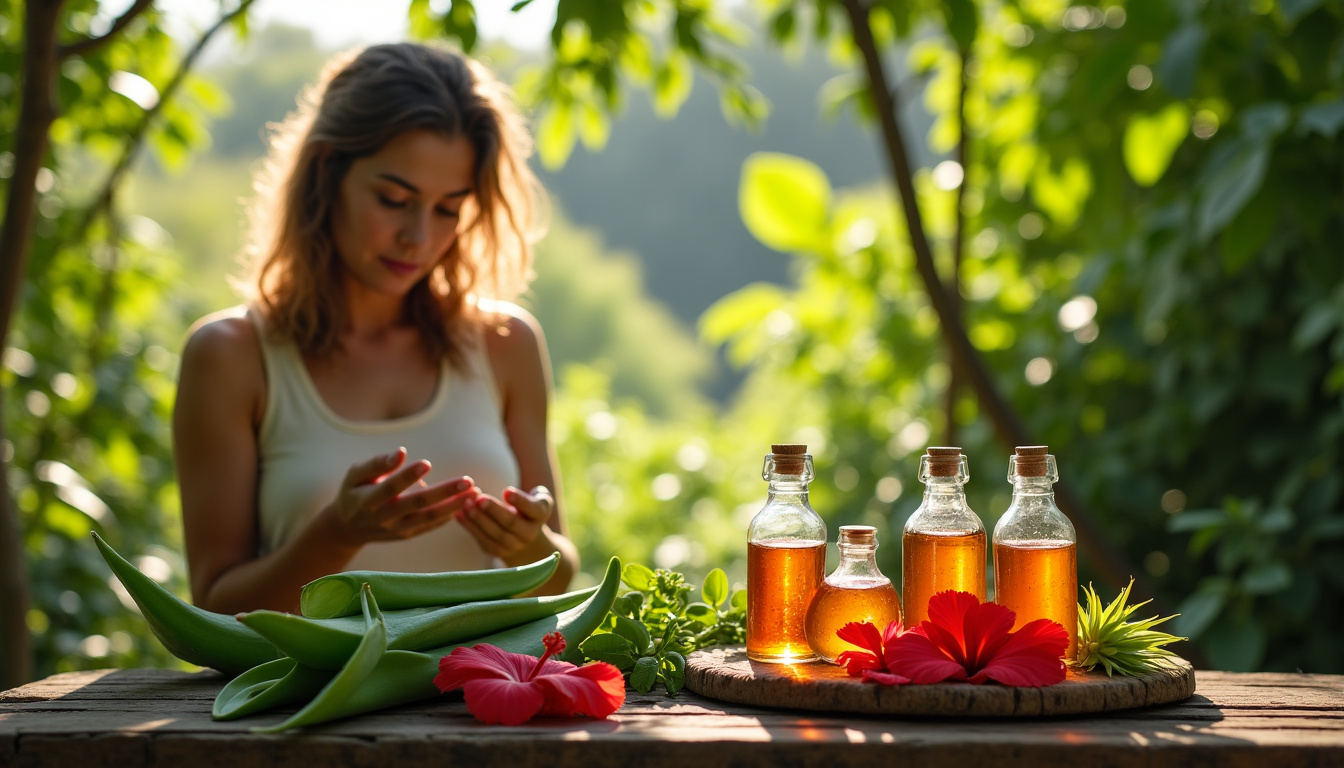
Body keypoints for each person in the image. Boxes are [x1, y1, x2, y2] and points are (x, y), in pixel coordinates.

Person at [173, 43, 577, 614]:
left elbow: (557, 575)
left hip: (473, 697)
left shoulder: (505, 343)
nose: (419, 238)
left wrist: (528, 545)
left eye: (447, 209)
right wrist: (334, 534)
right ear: (325, 170)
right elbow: (215, 607)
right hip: (309, 701)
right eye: (394, 199)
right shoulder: (232, 357)